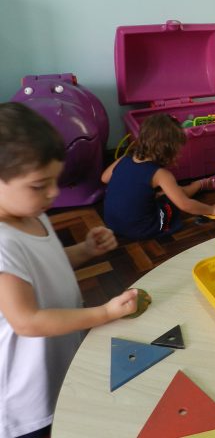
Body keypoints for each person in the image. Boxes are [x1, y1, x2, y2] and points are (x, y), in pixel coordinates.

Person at [0, 102, 139, 438]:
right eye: (39, 185)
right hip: (28, 396)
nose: (54, 192)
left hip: (56, 363)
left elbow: (43, 265)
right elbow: (27, 321)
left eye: (54, 180)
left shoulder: (31, 214)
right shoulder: (2, 244)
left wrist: (85, 251)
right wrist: (104, 313)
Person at [101, 113, 215, 241]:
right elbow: (185, 205)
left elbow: (105, 178)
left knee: (165, 193)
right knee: (174, 196)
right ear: (169, 151)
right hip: (142, 229)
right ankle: (199, 185)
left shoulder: (125, 158)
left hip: (113, 223)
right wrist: (212, 209)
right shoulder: (161, 174)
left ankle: (197, 186)